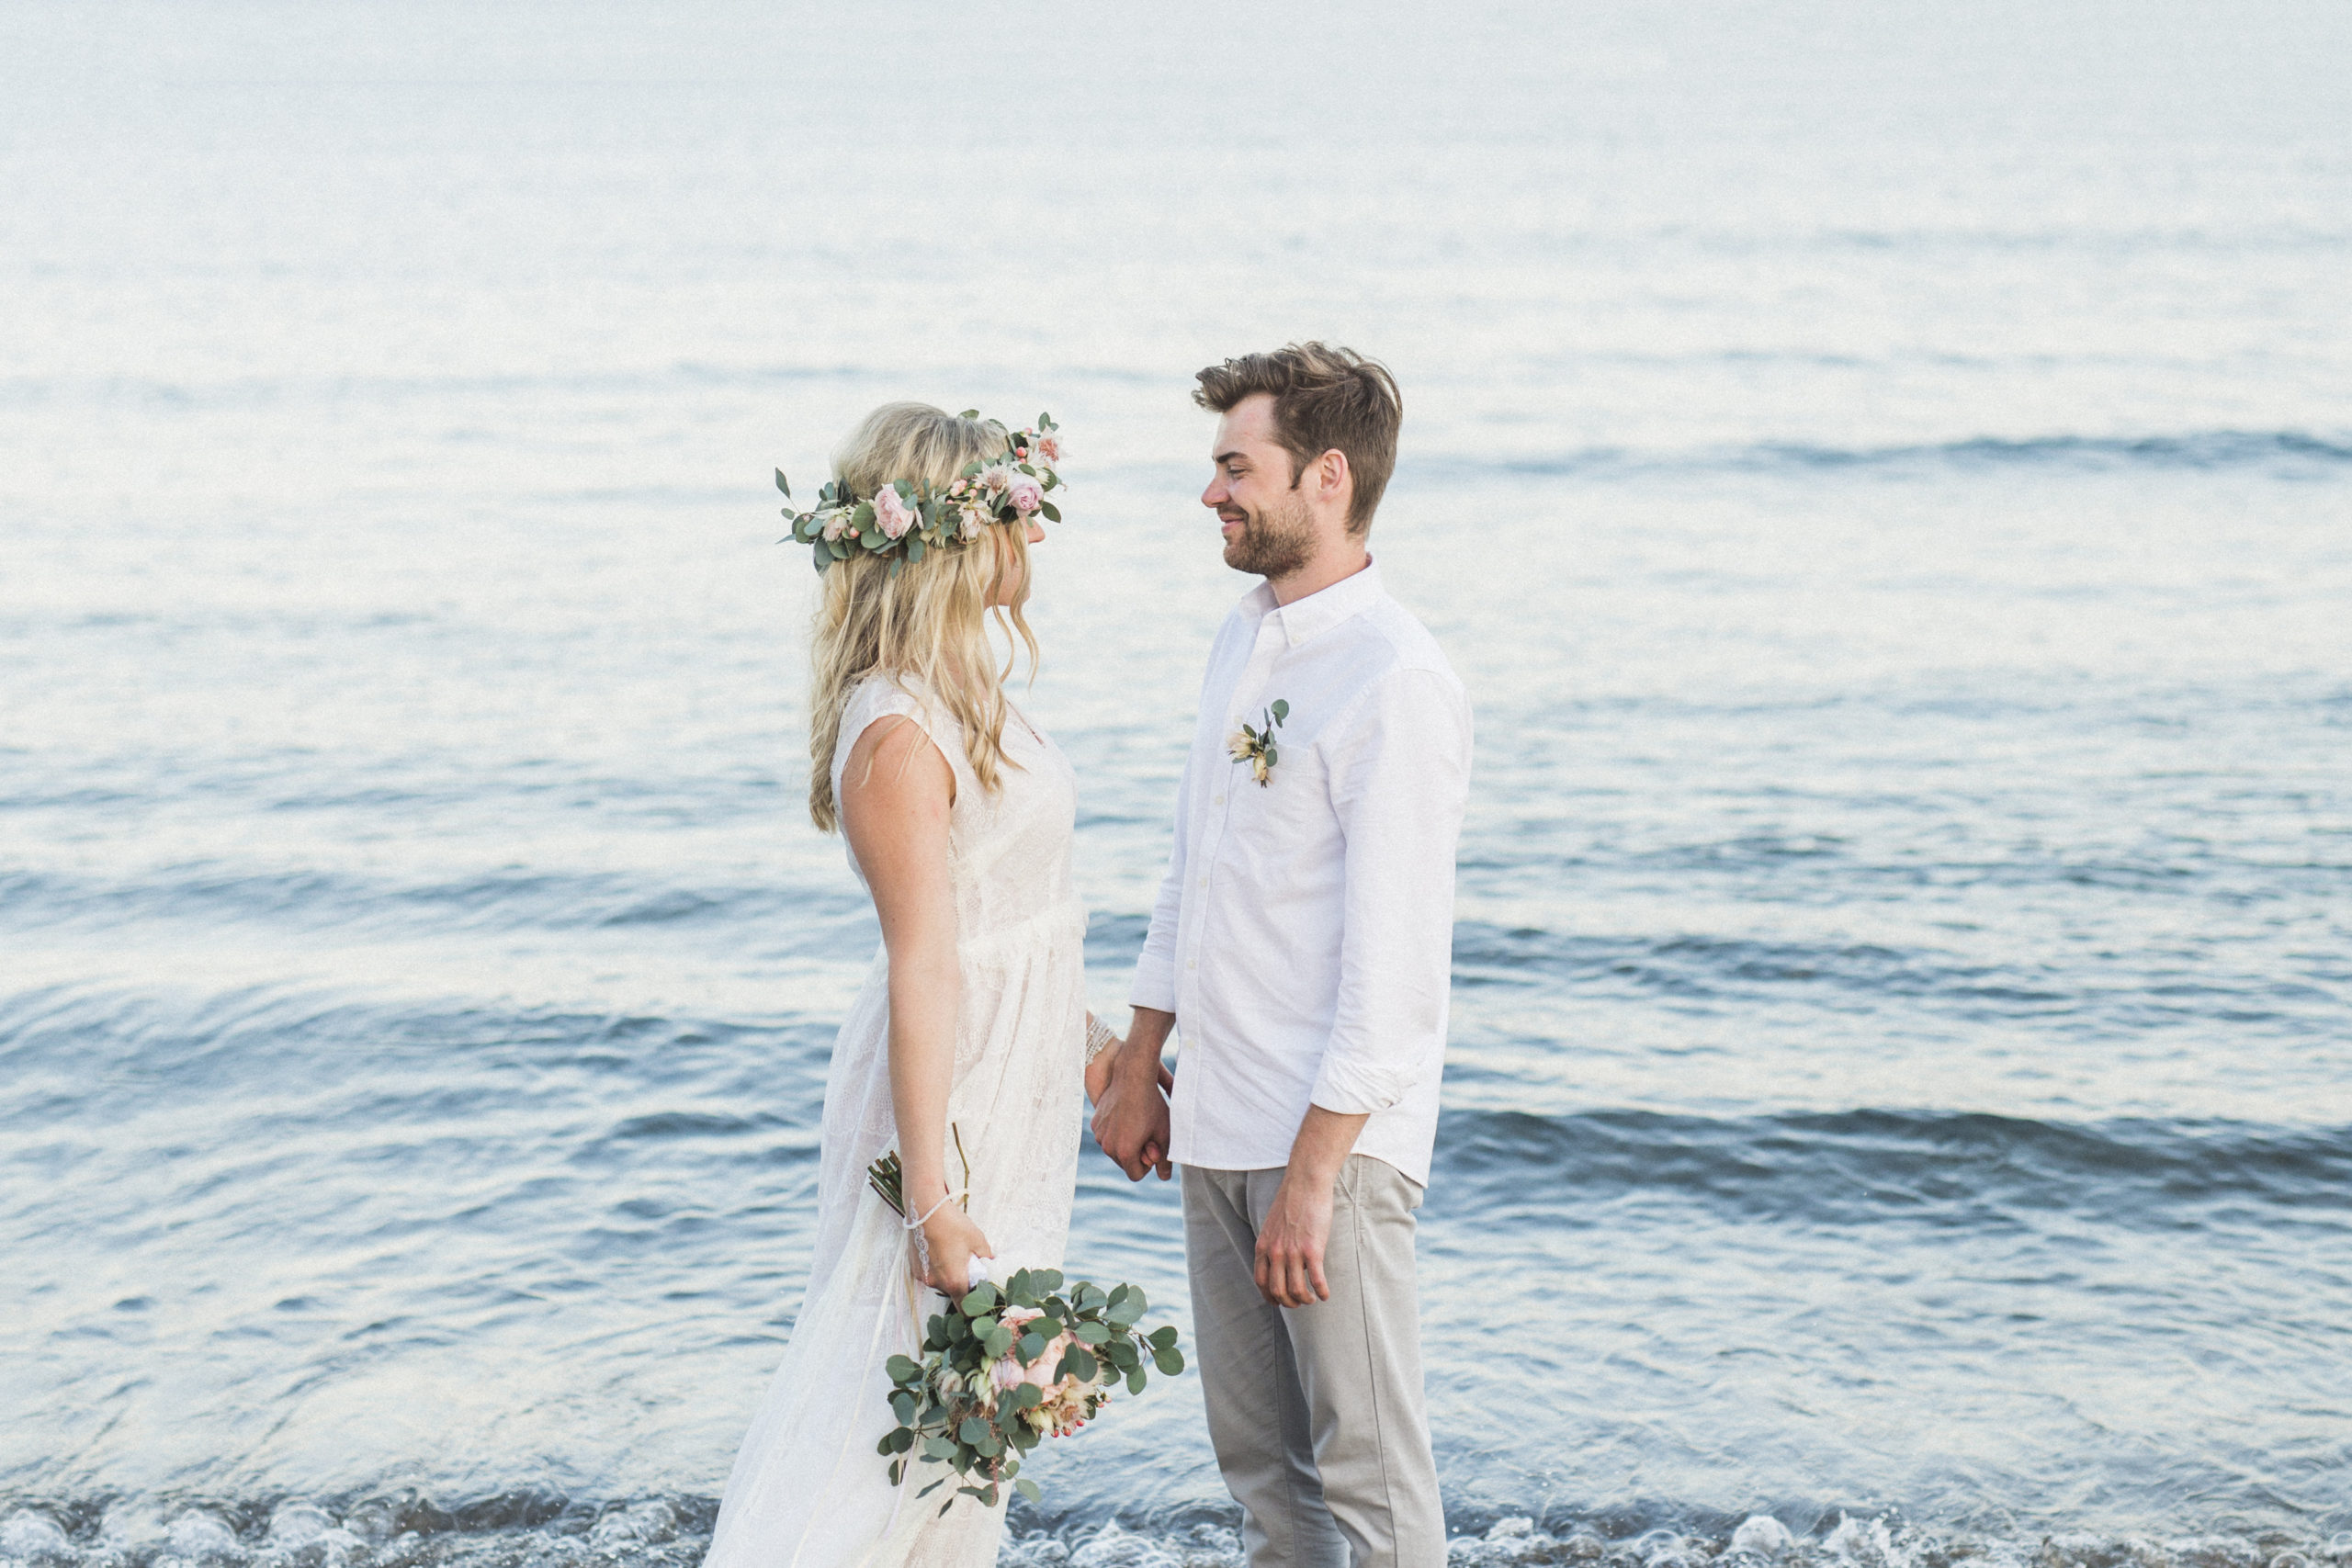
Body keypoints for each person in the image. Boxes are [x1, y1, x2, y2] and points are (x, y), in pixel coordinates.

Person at [704, 402, 1162, 1568]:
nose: (1038, 540)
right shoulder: (900, 732)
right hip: (944, 1102)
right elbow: (928, 963)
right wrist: (928, 1198)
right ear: (955, 538)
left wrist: (1098, 1051)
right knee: (886, 1403)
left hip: (1011, 1082)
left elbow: (1017, 929)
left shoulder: (968, 699)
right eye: (1018, 514)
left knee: (966, 1433)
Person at [1092, 344, 1472, 1568]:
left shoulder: (1396, 677)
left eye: (1232, 467)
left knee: (1369, 1486)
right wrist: (1139, 1059)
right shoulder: (1239, 640)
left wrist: (1316, 1172)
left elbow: (1397, 967)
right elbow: (1189, 872)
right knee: (1267, 1478)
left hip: (1331, 1148)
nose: (1211, 493)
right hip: (1215, 1117)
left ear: (1324, 476)